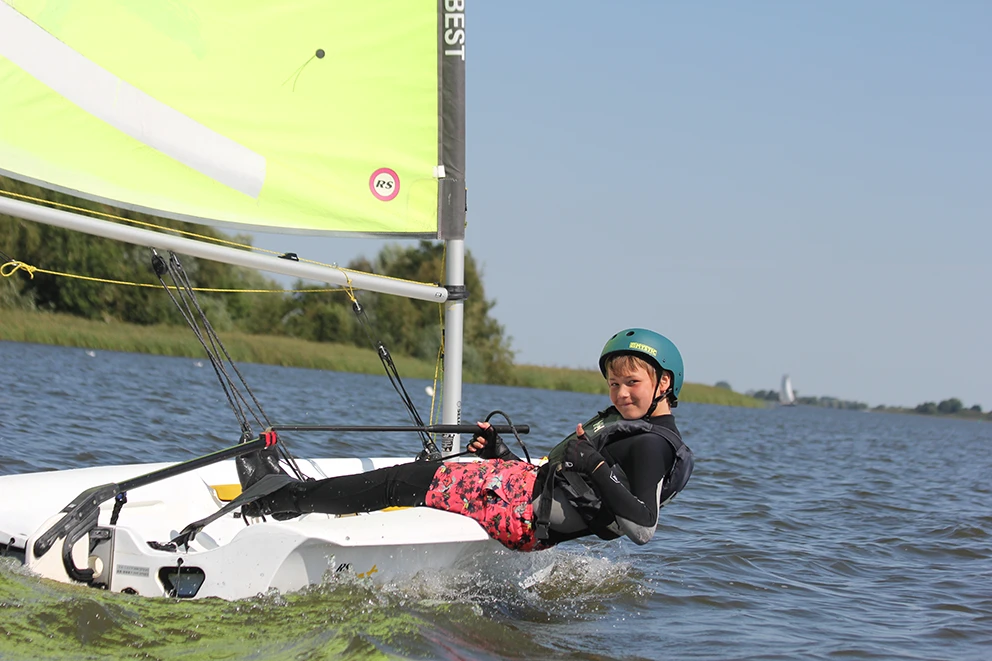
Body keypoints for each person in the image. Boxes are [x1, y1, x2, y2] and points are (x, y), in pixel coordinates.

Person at [243, 328, 694, 551]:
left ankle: (280, 499)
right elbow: (575, 489)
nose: (620, 393)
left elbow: (642, 527)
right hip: (527, 502)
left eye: (631, 382)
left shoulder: (651, 443)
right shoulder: (643, 432)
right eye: (614, 384)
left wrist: (590, 459)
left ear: (663, 384)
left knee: (403, 481)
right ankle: (294, 499)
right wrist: (500, 455)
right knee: (423, 476)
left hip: (520, 515)